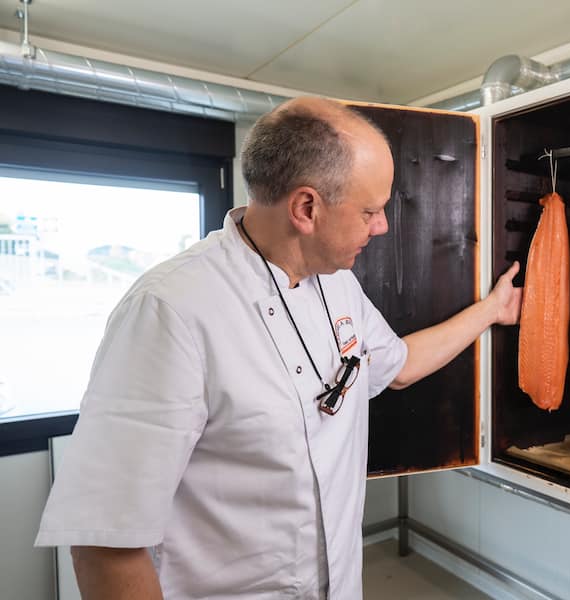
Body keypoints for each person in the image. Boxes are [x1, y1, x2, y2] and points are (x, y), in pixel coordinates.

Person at [35, 96, 521, 599]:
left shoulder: (338, 284)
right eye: (370, 211)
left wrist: (492, 310)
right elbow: (105, 543)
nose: (382, 226)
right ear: (306, 208)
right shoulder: (170, 310)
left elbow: (398, 365)